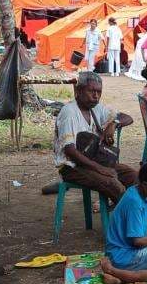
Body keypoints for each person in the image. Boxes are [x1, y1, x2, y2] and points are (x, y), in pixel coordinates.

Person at [54, 72, 137, 203]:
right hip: (72, 167)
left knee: (134, 177)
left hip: (95, 162)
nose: (96, 96)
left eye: (99, 92)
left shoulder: (97, 108)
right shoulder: (69, 112)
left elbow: (128, 118)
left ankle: (138, 215)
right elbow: (70, 151)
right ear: (79, 91)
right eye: (91, 91)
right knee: (114, 185)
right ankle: (126, 219)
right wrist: (101, 169)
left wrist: (113, 124)